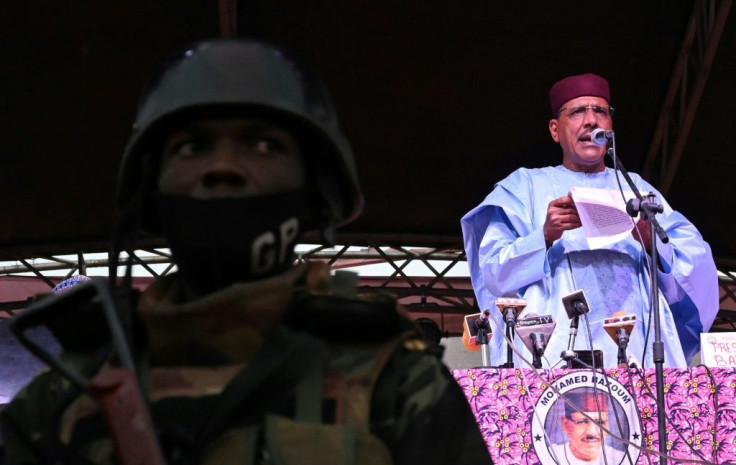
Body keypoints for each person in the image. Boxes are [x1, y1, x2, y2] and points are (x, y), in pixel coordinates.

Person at [1, 38, 492, 464]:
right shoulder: (76, 388)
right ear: (149, 192)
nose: (225, 167)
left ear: (314, 191)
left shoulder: (388, 372)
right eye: (192, 147)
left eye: (265, 146)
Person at [461, 72, 718, 369]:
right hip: (553, 353)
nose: (591, 120)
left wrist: (654, 246)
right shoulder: (525, 186)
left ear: (610, 126)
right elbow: (492, 273)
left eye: (600, 111)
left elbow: (697, 266)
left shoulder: (638, 190)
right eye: (578, 111)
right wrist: (543, 236)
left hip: (637, 349)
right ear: (555, 129)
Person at [549, 389, 625, 465]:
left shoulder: (621, 459)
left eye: (600, 422)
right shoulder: (549, 455)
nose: (592, 432)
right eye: (582, 422)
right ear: (565, 424)